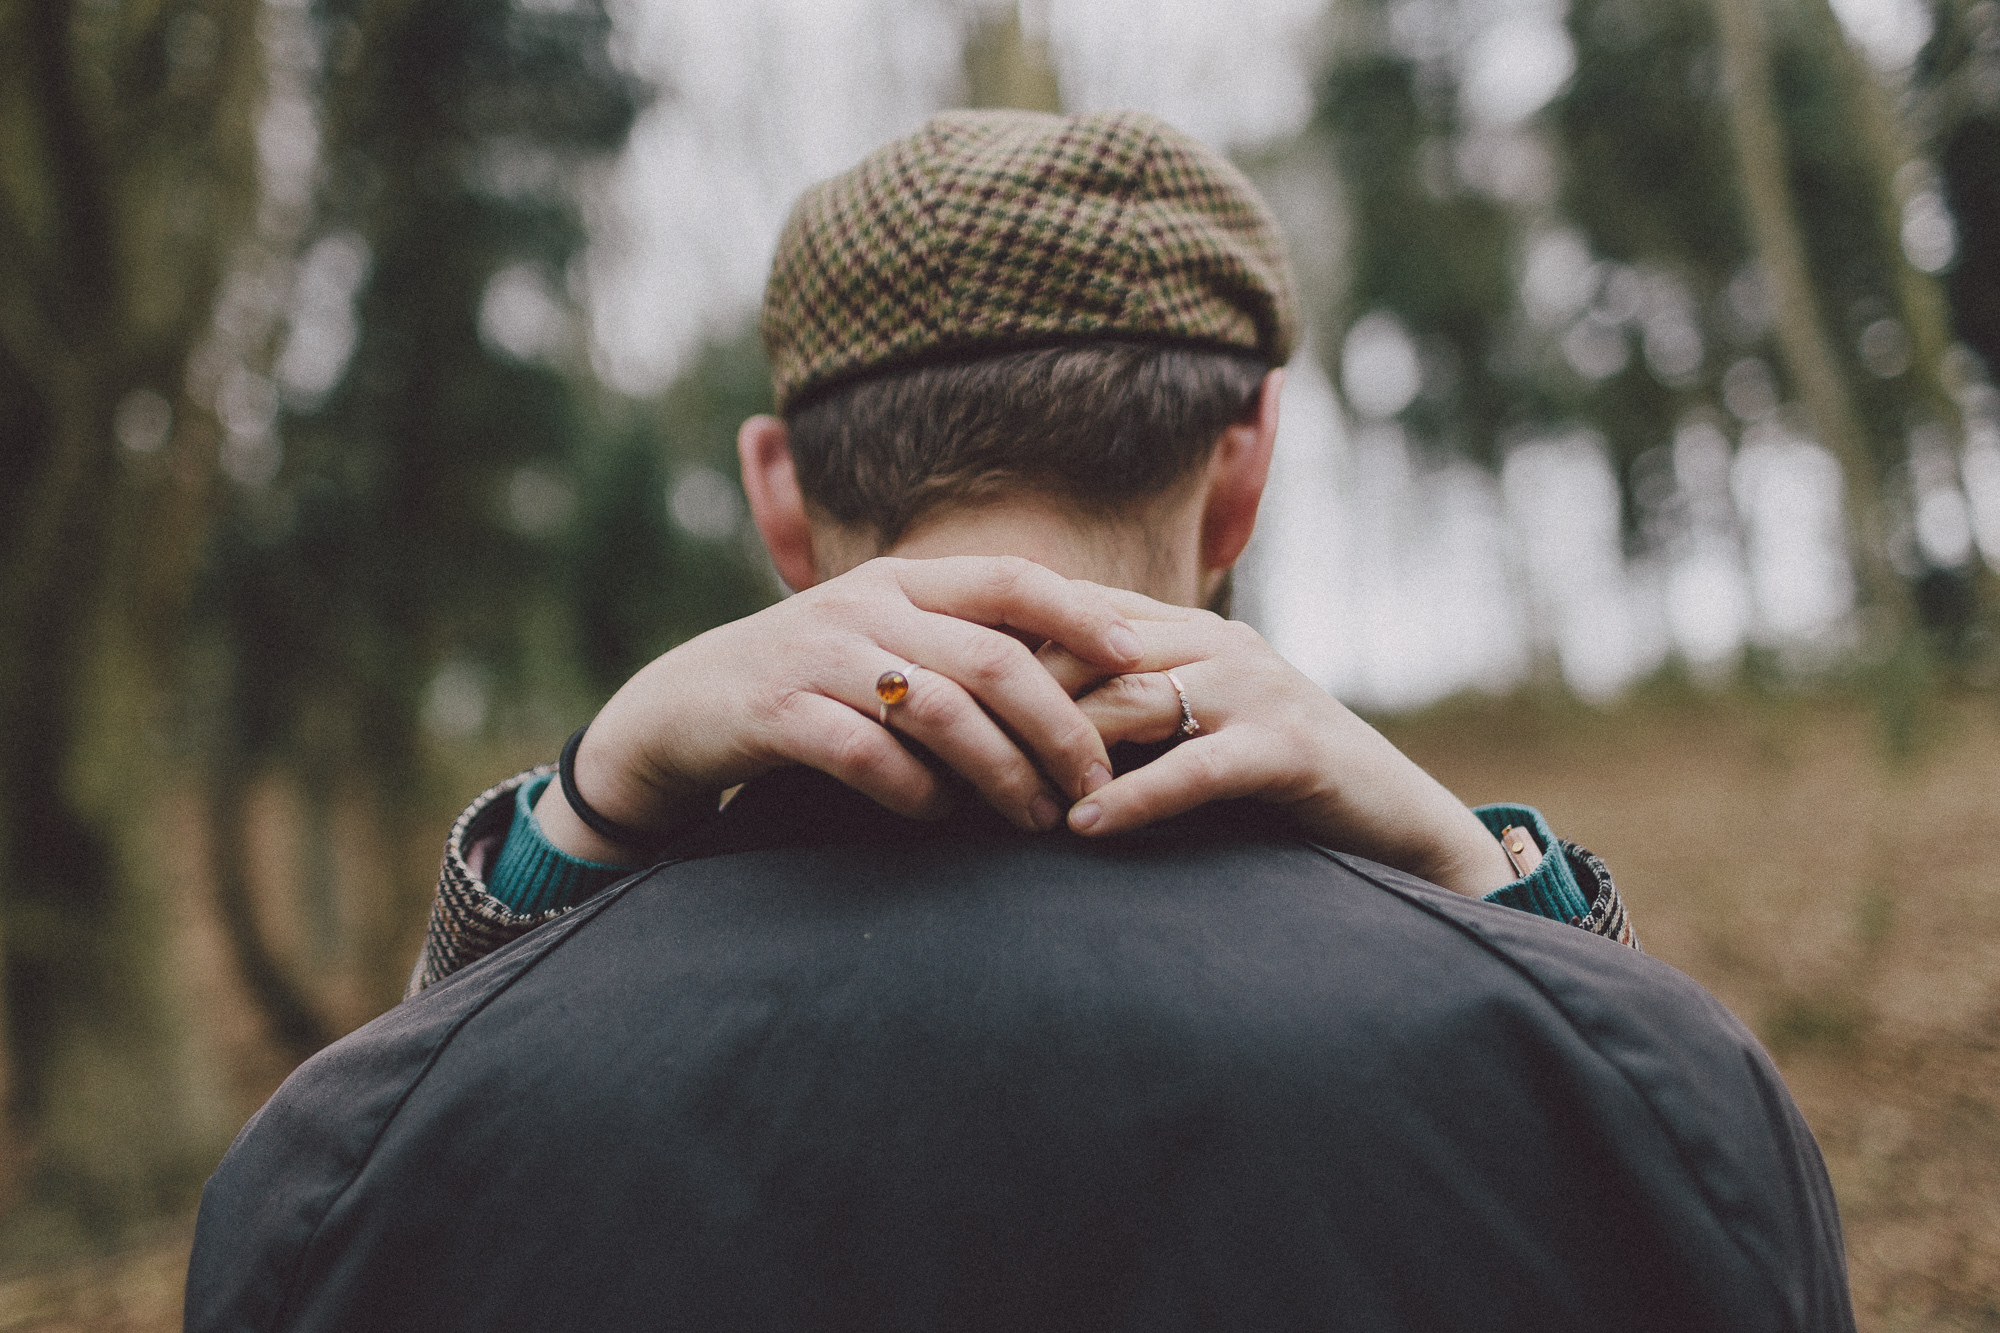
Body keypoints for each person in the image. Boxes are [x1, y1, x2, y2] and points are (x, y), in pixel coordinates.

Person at [186, 109, 1849, 1332]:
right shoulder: (1639, 1097)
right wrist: (1483, 884)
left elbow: (369, 1163)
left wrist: (579, 820)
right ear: (1247, 460)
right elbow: (1691, 1169)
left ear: (781, 491)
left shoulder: (342, 1155)